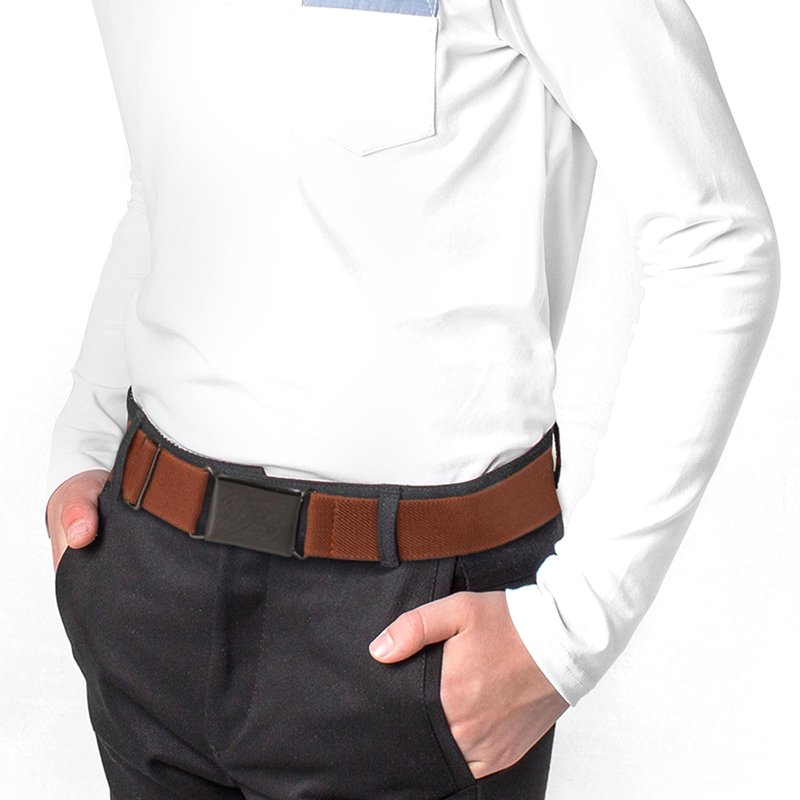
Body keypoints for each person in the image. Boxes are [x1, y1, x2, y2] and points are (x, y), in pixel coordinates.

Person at [45, 2, 779, 798]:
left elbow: (716, 241)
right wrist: (86, 437)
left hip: (406, 623)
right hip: (147, 583)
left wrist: (568, 638)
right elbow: (165, 185)